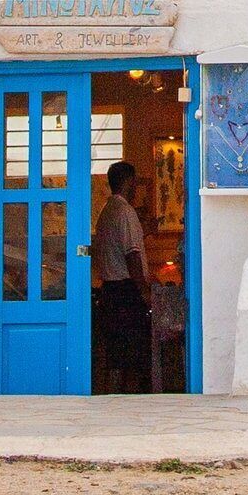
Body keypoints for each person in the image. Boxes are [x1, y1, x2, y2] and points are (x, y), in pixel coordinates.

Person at [91, 159, 154, 393]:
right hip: (126, 291)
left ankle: (113, 398)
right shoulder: (125, 212)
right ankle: (130, 400)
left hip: (109, 289)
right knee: (133, 353)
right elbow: (132, 255)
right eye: (136, 183)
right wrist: (144, 291)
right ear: (129, 182)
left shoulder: (106, 212)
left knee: (115, 354)